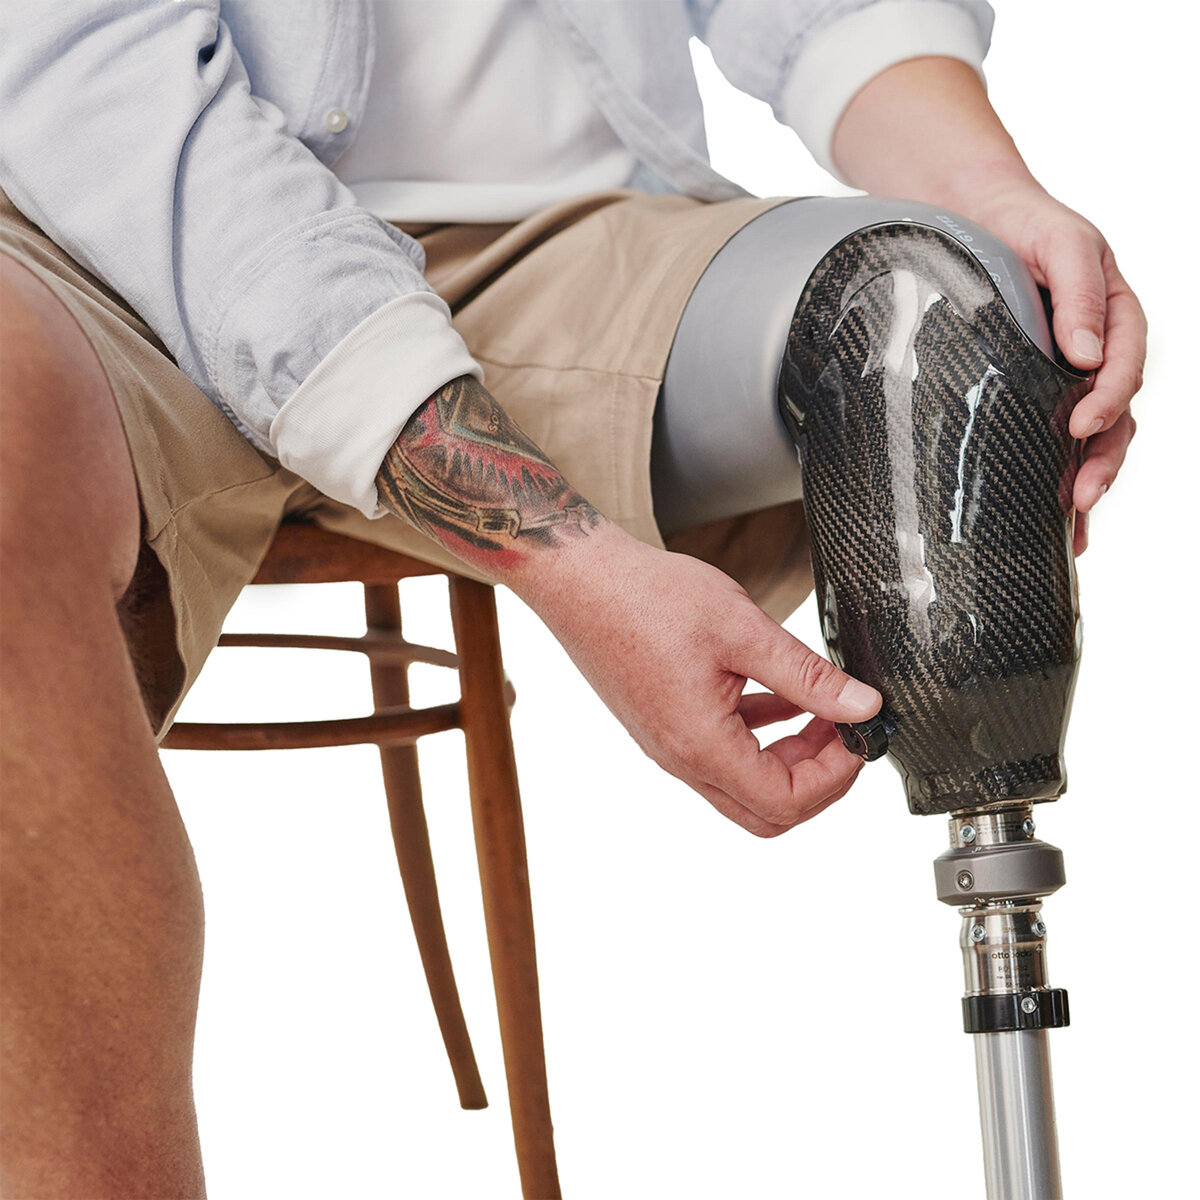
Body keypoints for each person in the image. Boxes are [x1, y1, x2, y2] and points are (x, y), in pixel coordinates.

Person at [0, 1, 1144, 1193]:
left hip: (555, 235)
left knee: (934, 314)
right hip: (116, 223)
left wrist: (987, 193)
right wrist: (569, 559)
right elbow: (91, 74)